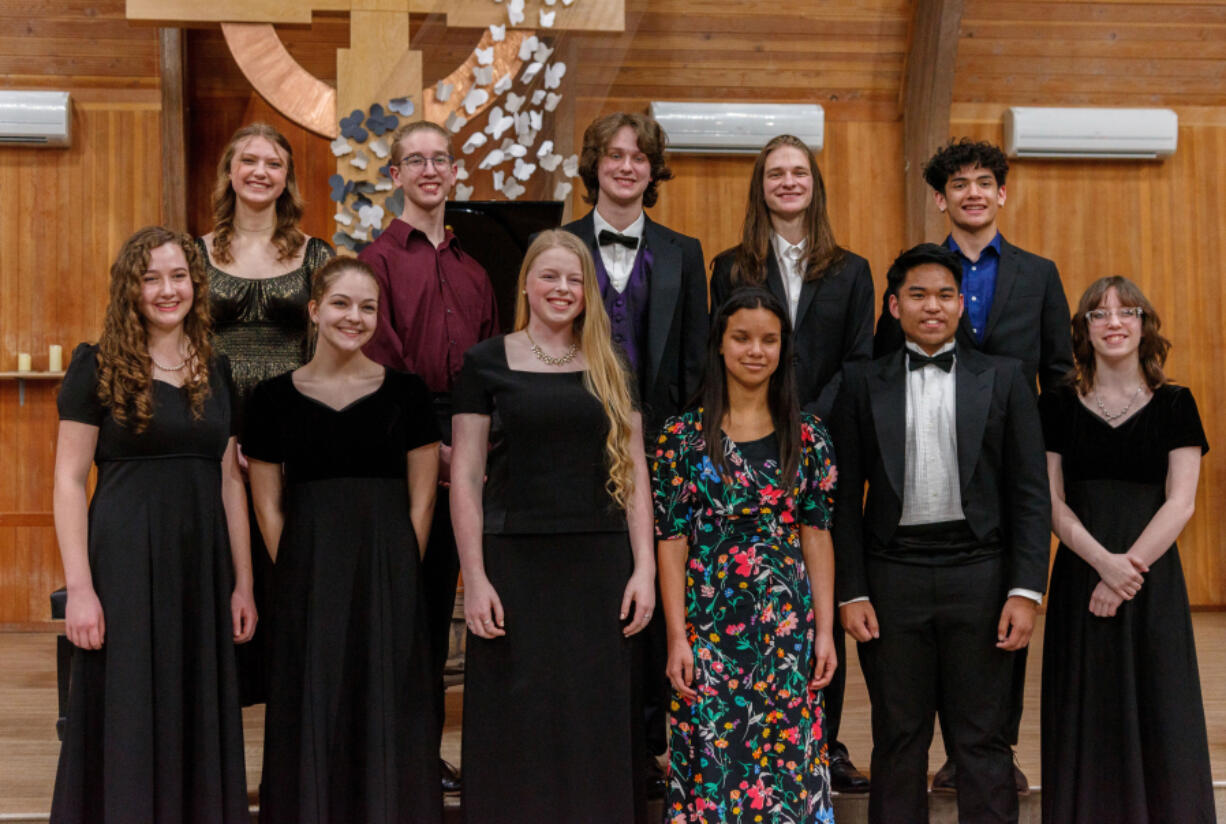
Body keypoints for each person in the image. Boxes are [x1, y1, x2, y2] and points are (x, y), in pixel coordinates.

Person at [873, 138, 1072, 791]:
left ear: (1002, 193)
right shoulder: (920, 273)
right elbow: (882, 366)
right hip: (928, 454)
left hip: (1005, 458)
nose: (973, 193)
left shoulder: (1038, 273)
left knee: (1000, 622)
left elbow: (1059, 371)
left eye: (985, 182)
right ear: (942, 198)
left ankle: (988, 748)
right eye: (959, 184)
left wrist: (1045, 454)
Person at [831, 243, 1049, 824]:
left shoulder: (1005, 379)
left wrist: (1026, 591)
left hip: (981, 574)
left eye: (946, 295)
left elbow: (1031, 493)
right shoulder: (861, 383)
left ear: (962, 305)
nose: (933, 306)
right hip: (891, 577)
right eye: (919, 295)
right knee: (898, 739)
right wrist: (850, 590)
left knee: (982, 740)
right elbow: (843, 499)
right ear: (894, 304)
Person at [50, 226, 255, 823]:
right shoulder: (97, 365)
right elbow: (67, 481)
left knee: (198, 705)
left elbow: (229, 480)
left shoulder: (216, 370)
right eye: (151, 278)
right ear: (130, 289)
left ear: (197, 283)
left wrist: (242, 583)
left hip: (200, 566)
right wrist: (80, 590)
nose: (168, 290)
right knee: (129, 707)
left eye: (179, 276)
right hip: (123, 564)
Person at [451, 230, 655, 823]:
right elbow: (465, 477)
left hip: (600, 565)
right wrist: (475, 578)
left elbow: (636, 471)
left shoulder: (613, 364)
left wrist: (643, 567)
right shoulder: (484, 360)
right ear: (526, 284)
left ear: (588, 291)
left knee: (595, 716)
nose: (561, 289)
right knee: (517, 716)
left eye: (574, 279)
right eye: (549, 276)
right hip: (514, 566)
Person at [245, 257, 443, 823]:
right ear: (313, 310)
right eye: (340, 303)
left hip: (388, 563)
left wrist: (401, 565)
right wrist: (300, 570)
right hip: (307, 568)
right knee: (311, 696)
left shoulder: (407, 393)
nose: (353, 317)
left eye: (367, 307)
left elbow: (423, 497)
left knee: (385, 695)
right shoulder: (271, 398)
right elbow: (266, 500)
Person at [709, 133, 874, 792]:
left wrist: (806, 424)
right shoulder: (729, 266)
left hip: (823, 443)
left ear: (814, 184)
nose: (787, 182)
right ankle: (745, 723)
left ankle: (824, 739)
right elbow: (719, 352)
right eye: (775, 173)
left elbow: (859, 358)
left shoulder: (852, 269)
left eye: (798, 172)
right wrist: (766, 423)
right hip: (748, 441)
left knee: (817, 588)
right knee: (751, 587)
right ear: (761, 186)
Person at [562, 110, 707, 795]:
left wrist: (681, 444)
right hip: (577, 445)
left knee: (660, 590)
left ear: (653, 170)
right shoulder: (557, 244)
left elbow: (694, 357)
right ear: (595, 166)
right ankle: (592, 735)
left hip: (664, 445)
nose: (625, 166)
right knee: (592, 587)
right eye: (614, 155)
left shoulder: (684, 252)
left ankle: (651, 743)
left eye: (638, 157)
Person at [653, 287, 838, 824]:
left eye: (768, 340)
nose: (755, 350)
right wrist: (676, 637)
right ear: (719, 345)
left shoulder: (810, 436)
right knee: (714, 762)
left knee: (789, 765)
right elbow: (671, 541)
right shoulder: (679, 438)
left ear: (784, 349)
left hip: (784, 631)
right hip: (709, 628)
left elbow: (818, 535)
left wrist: (823, 631)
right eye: (741, 338)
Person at [1039, 277, 1214, 823]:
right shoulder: (1058, 405)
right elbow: (1051, 502)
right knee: (1083, 710)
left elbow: (1180, 503)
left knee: (1162, 708)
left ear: (1145, 326)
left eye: (1127, 311)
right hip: (1080, 577)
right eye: (1099, 314)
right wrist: (1103, 564)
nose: (1114, 322)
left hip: (1151, 581)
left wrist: (1125, 572)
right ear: (1084, 330)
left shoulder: (1177, 403)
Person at [360, 119, 499, 793]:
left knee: (456, 596)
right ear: (394, 176)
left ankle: (431, 753)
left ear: (452, 171)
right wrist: (432, 449)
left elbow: (493, 365)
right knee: (407, 610)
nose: (428, 170)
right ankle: (400, 755)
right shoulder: (376, 262)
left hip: (468, 441)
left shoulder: (475, 270)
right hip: (400, 440)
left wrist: (469, 450)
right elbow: (380, 364)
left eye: (439, 159)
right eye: (413, 161)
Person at [197, 121, 333, 706]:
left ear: (287, 180)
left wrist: (297, 433)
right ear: (230, 171)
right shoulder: (192, 252)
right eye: (248, 160)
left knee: (288, 563)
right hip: (215, 428)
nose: (259, 171)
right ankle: (219, 699)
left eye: (273, 163)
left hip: (292, 432)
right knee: (220, 565)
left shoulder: (315, 253)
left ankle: (294, 696)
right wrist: (218, 428)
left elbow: (326, 346)